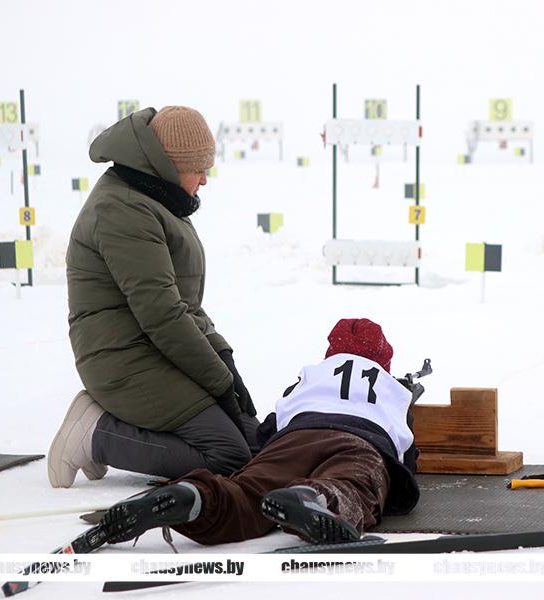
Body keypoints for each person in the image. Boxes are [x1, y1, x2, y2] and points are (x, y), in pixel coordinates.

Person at [48, 106, 259, 489]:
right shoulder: (124, 208)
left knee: (249, 439)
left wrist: (225, 362)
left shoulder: (155, 197)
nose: (205, 179)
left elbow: (184, 306)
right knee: (227, 456)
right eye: (199, 168)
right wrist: (219, 383)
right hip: (122, 357)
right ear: (167, 164)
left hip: (152, 347)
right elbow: (162, 314)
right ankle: (96, 433)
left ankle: (113, 425)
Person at [94, 318, 421, 547]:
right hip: (359, 444)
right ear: (384, 363)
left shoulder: (312, 375)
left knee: (246, 492)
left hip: (295, 437)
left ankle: (196, 497)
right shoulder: (393, 388)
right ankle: (316, 497)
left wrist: (274, 455)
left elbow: (270, 427)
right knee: (350, 483)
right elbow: (407, 454)